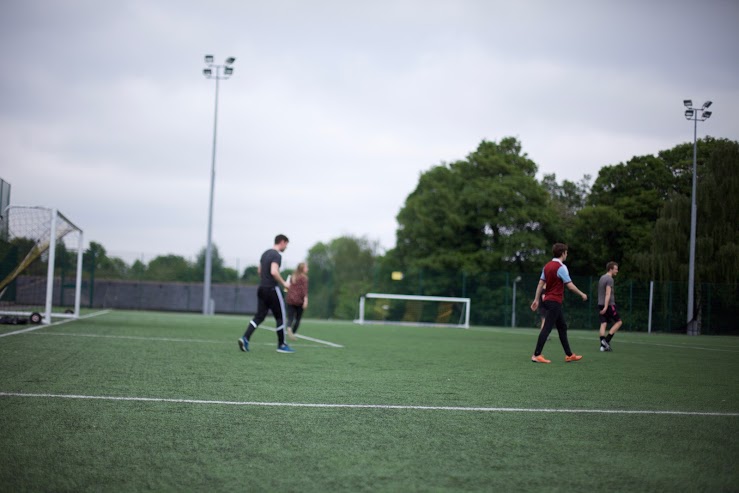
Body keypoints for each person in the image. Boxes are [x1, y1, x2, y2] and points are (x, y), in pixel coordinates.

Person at [529, 243, 588, 363]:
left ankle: (569, 355)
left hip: (548, 301)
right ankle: (536, 355)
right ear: (563, 253)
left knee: (562, 326)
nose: (567, 254)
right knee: (547, 328)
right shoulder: (561, 267)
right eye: (566, 252)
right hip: (554, 301)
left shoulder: (547, 266)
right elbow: (570, 286)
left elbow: (540, 284)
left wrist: (536, 299)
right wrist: (582, 294)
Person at [238, 234, 295, 354]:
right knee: (280, 317)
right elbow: (274, 271)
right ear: (282, 242)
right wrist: (284, 283)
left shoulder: (265, 254)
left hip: (262, 288)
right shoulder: (276, 255)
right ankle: (281, 345)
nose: (286, 247)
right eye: (286, 244)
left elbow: (260, 271)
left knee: (259, 316)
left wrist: (265, 279)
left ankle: (245, 338)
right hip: (272, 289)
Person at [597, 261, 622, 352]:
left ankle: (602, 346)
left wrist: (602, 306)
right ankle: (606, 341)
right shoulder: (609, 279)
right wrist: (606, 307)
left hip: (600, 303)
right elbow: (608, 294)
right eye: (616, 269)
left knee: (603, 323)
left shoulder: (602, 277)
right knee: (619, 322)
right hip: (609, 304)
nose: (617, 271)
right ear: (610, 269)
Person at [285, 262, 309, 341]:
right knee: (298, 318)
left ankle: (288, 327)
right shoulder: (304, 278)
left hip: (290, 299)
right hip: (299, 300)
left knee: (290, 318)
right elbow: (304, 290)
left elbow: (287, 287)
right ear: (303, 269)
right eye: (306, 267)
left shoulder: (292, 276)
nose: (307, 269)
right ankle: (293, 332)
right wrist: (305, 300)